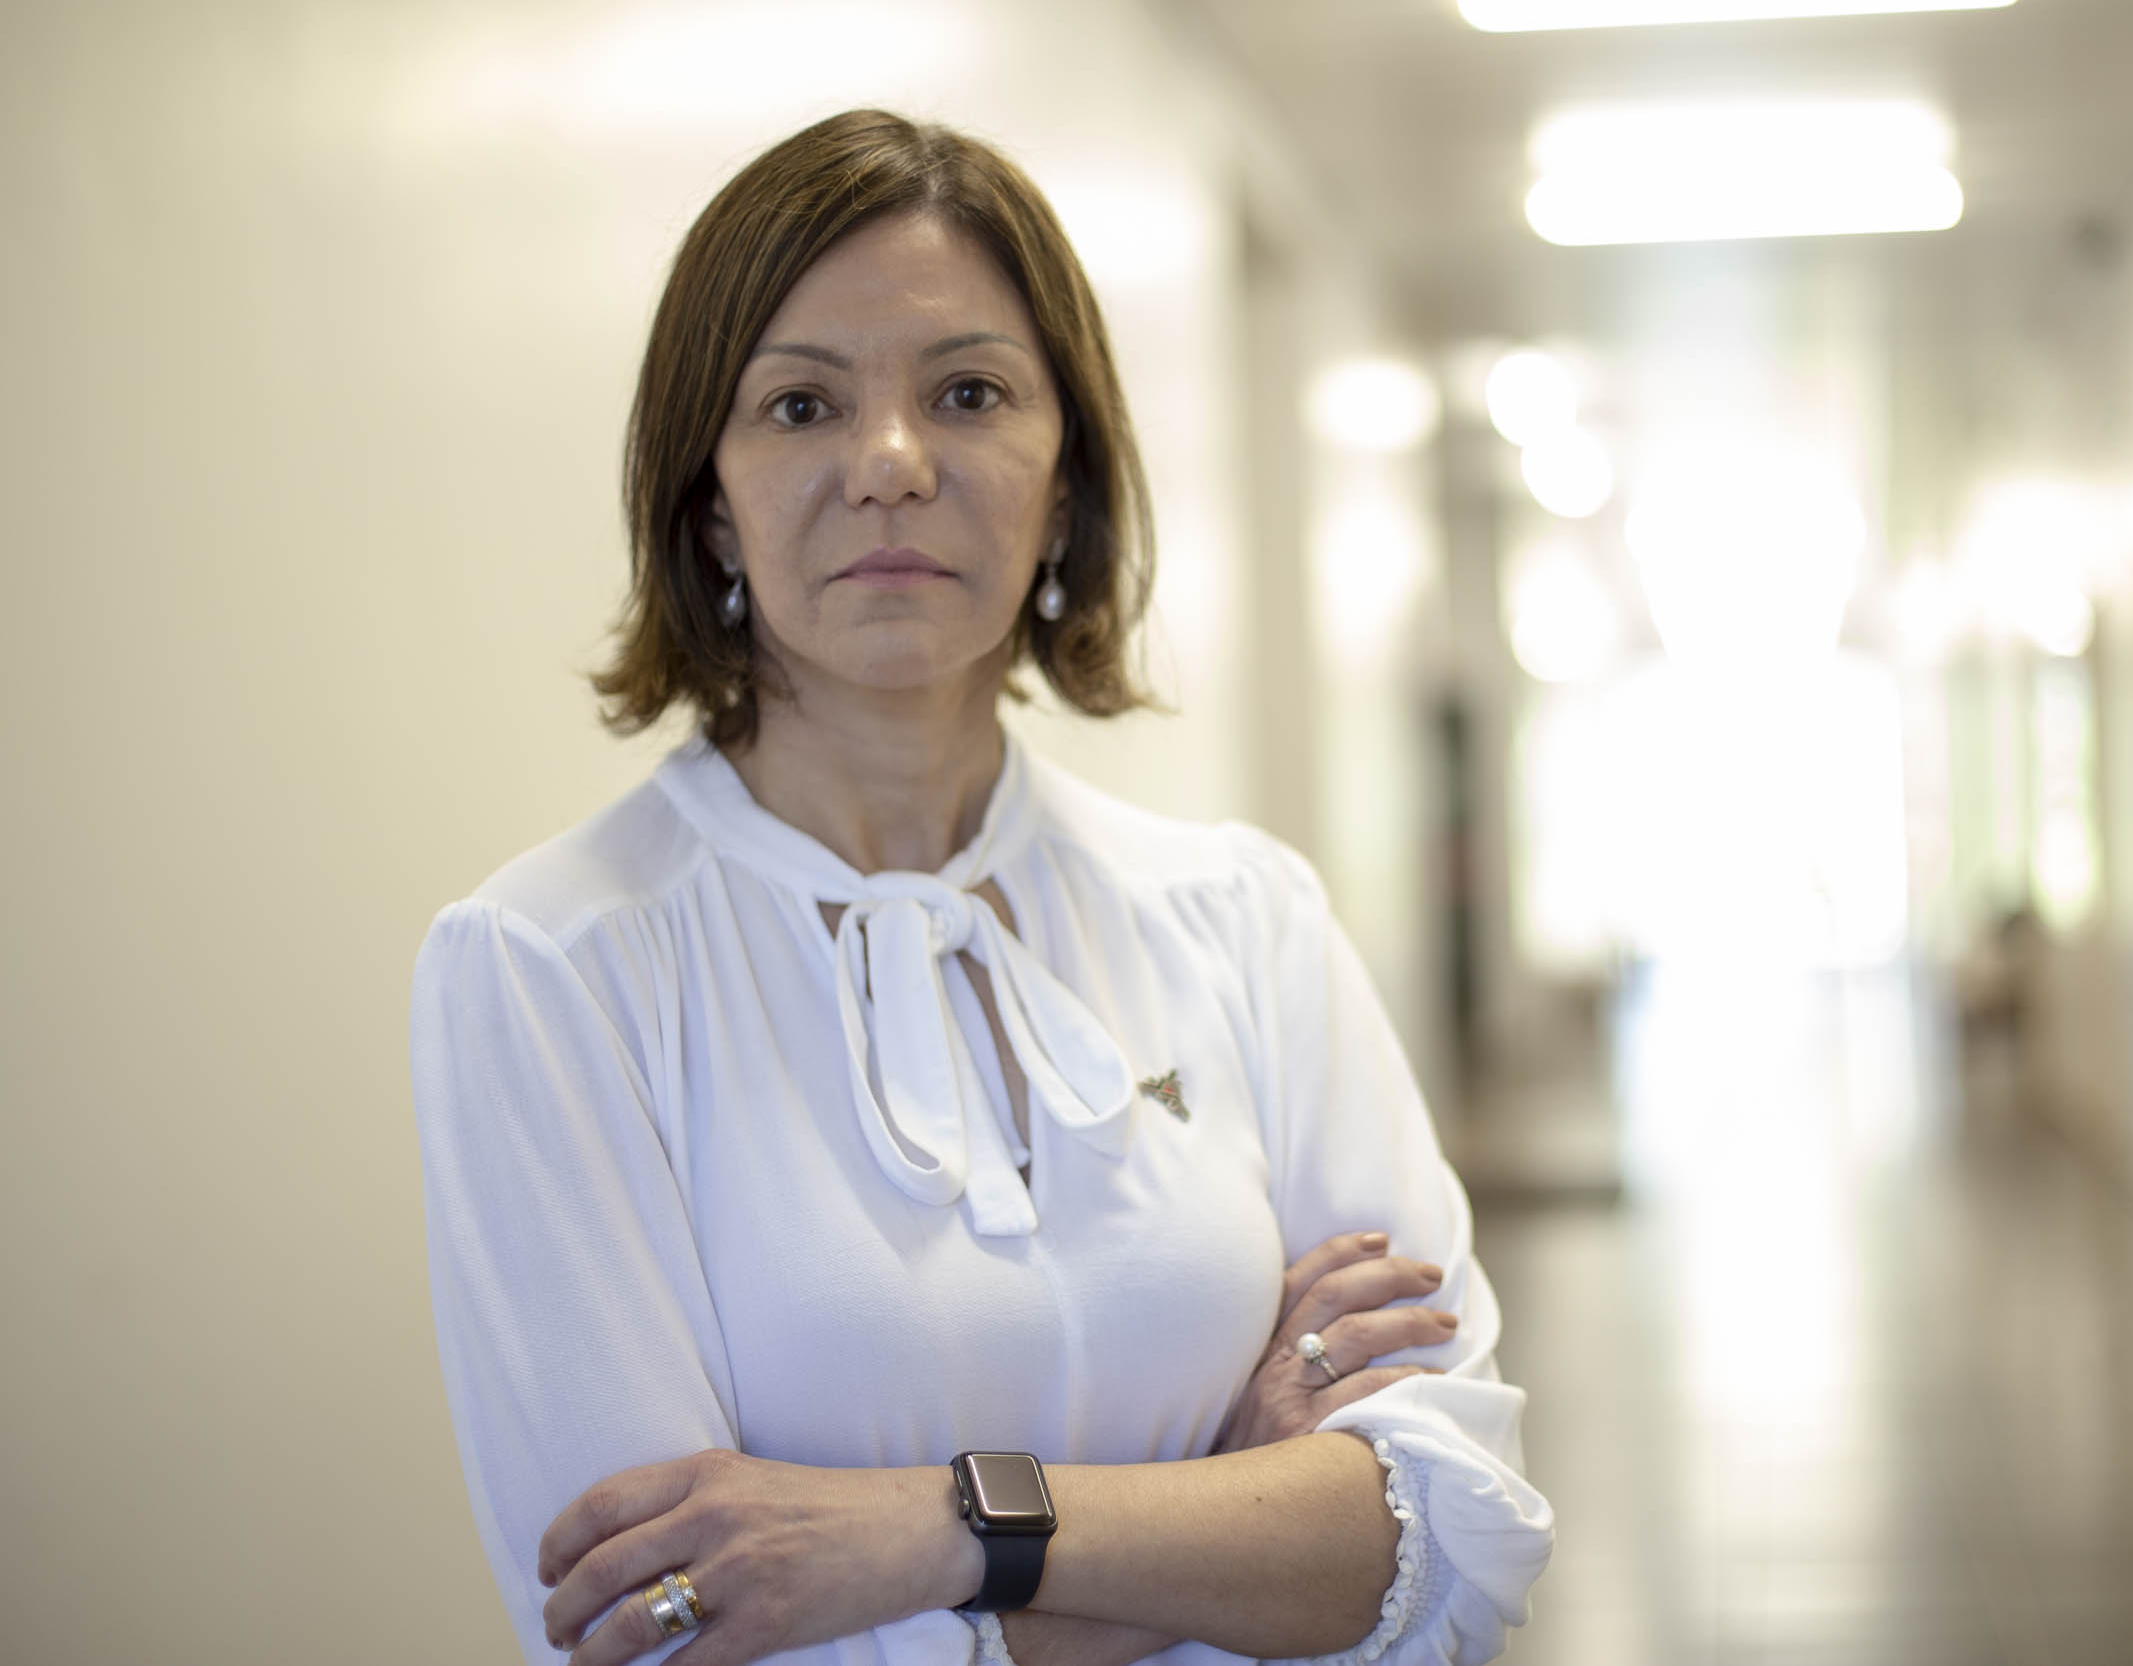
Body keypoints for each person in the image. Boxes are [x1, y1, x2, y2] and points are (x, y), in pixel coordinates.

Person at [409, 109, 1551, 1666]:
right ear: (709, 501)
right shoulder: (553, 970)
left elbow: (1452, 1541)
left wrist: (930, 1536)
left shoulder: (1243, 917)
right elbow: (656, 1631)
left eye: (968, 392)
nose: (891, 463)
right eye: (801, 404)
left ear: (1065, 482)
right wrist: (1228, 1517)